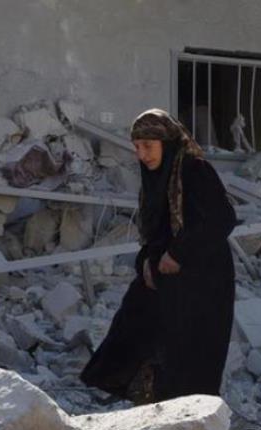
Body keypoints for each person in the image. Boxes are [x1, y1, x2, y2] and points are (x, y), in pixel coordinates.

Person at [80, 108, 237, 404]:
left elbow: (222, 219)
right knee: (134, 326)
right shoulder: (156, 177)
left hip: (203, 280)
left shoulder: (194, 170)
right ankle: (148, 400)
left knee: (190, 353)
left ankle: (189, 417)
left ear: (167, 143)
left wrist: (178, 253)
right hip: (166, 278)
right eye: (137, 147)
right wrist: (147, 264)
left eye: (149, 147)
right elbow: (155, 230)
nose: (142, 155)